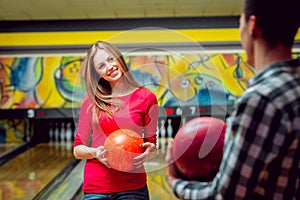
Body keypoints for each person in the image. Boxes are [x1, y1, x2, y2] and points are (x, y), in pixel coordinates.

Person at [165, 0, 300, 199]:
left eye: (240, 22)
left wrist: (175, 181)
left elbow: (225, 195)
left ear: (252, 26)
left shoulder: (262, 99)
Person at [73, 41, 159, 200]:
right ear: (97, 73)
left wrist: (149, 152)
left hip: (133, 185)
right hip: (96, 187)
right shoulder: (90, 101)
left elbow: (151, 144)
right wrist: (95, 153)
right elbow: (78, 149)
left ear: (119, 58)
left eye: (111, 59)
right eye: (101, 66)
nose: (109, 66)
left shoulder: (147, 98)